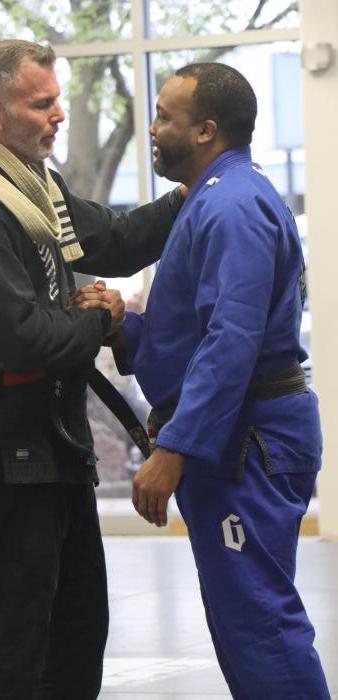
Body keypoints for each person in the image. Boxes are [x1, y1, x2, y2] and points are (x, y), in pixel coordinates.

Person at [0, 40, 184, 700]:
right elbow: (21, 340)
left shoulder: (35, 183)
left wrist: (194, 190)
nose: (59, 114)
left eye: (58, 100)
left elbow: (115, 241)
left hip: (58, 440)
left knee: (79, 630)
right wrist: (98, 321)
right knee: (18, 639)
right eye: (42, 103)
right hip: (11, 445)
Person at [76, 62, 331, 698]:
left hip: (247, 441)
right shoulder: (215, 197)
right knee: (244, 621)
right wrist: (124, 329)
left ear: (206, 131)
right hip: (238, 437)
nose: (152, 128)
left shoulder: (232, 206)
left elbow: (232, 342)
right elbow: (197, 335)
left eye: (165, 117)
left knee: (259, 622)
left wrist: (174, 447)